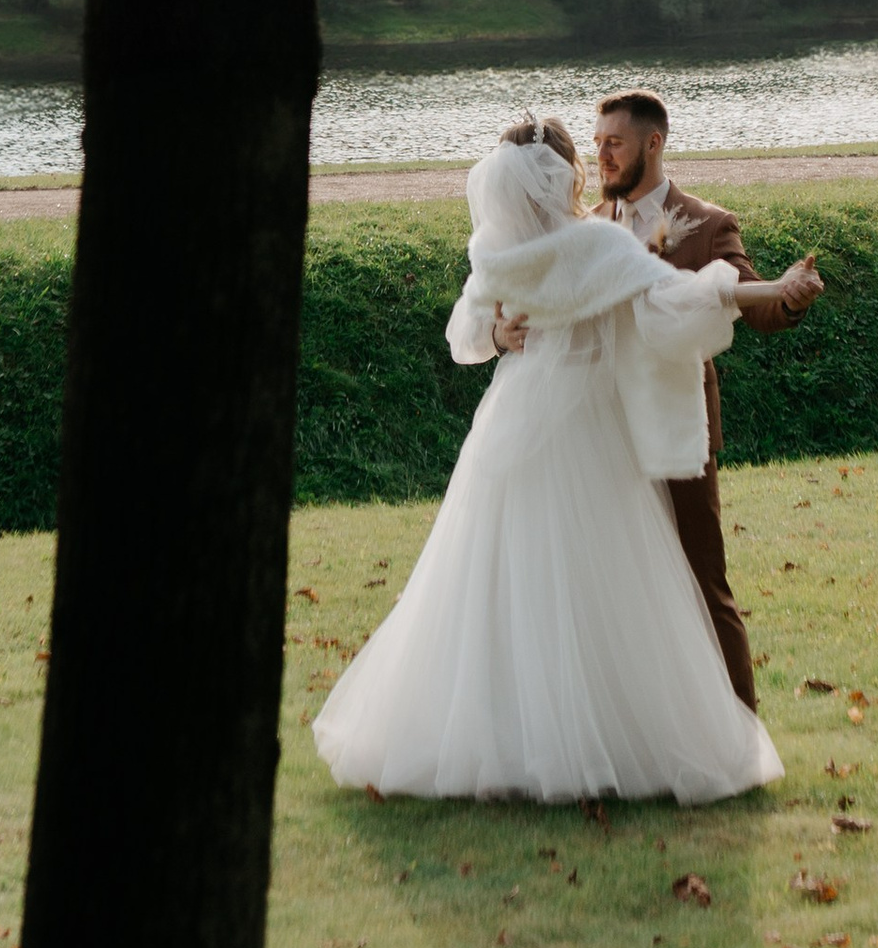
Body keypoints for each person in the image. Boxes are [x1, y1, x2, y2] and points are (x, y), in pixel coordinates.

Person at [309, 117, 783, 804]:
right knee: (603, 587)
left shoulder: (498, 250)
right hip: (590, 430)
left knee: (505, 583)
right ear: (568, 175)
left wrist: (497, 332)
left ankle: (506, 743)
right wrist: (759, 291)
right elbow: (674, 297)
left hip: (511, 423)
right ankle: (609, 740)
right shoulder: (595, 243)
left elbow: (463, 334)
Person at [496, 89, 822, 709]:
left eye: (613, 144)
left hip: (675, 429)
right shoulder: (587, 227)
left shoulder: (707, 222)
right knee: (625, 591)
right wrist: (497, 330)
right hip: (602, 437)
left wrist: (788, 298)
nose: (602, 156)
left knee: (703, 580)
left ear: (654, 142)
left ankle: (739, 725)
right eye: (596, 145)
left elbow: (753, 302)